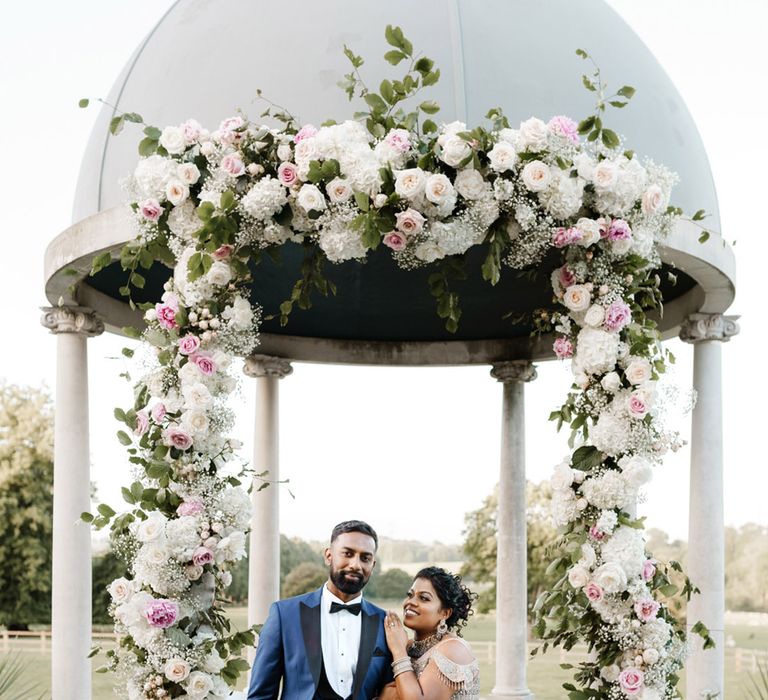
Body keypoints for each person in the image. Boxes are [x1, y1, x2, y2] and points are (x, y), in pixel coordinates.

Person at [247, 520, 393, 700]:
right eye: (347, 553)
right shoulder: (284, 615)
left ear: (373, 565)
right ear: (329, 556)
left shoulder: (384, 622)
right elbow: (260, 695)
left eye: (365, 558)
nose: (355, 564)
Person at [379, 567, 479, 700]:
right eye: (410, 595)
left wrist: (398, 652)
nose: (411, 602)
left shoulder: (453, 650)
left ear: (445, 613)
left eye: (424, 598)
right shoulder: (407, 646)